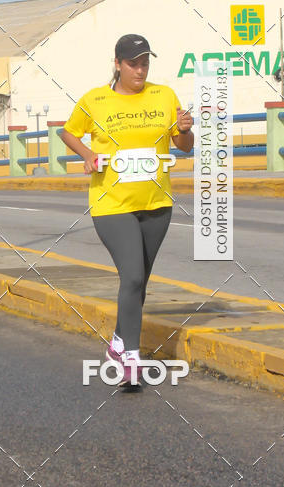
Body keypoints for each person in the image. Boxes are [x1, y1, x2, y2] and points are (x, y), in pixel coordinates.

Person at [61, 34, 194, 384]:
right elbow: (69, 132)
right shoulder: (96, 99)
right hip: (111, 203)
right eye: (133, 63)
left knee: (138, 281)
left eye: (145, 62)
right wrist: (88, 156)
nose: (140, 69)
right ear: (117, 63)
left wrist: (184, 130)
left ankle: (119, 342)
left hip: (157, 202)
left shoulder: (164, 95)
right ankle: (130, 360)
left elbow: (184, 146)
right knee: (133, 275)